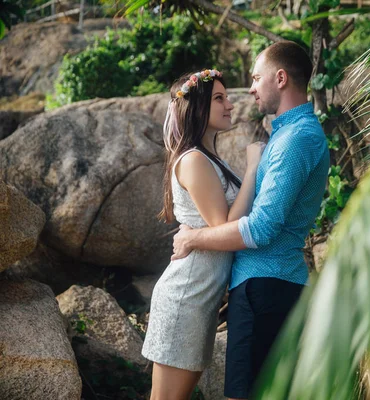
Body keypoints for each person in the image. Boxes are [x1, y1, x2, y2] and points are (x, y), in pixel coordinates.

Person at [171, 41, 330, 399]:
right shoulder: (286, 135)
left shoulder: (296, 139)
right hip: (266, 285)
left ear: (281, 77)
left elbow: (261, 228)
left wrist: (192, 238)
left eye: (257, 78)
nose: (252, 88)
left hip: (266, 286)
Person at [142, 69, 266, 400]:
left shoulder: (209, 158)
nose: (230, 104)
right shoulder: (195, 160)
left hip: (200, 297)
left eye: (227, 96)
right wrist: (254, 169)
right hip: (186, 296)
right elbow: (223, 226)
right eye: (219, 98)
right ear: (196, 107)